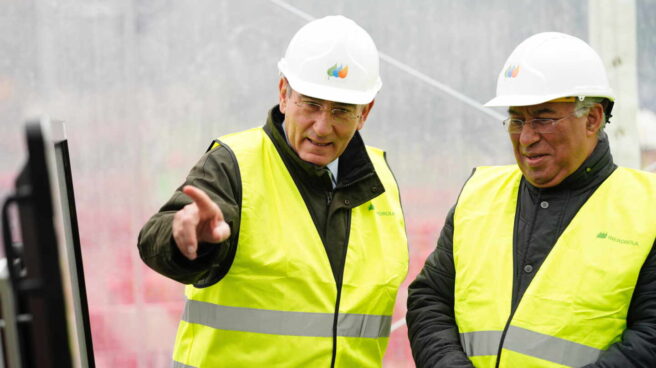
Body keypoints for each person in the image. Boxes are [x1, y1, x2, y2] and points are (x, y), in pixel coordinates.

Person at [137, 15, 408, 367]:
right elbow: (157, 237)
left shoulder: (381, 181)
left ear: (365, 113)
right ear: (284, 94)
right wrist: (188, 241)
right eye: (311, 104)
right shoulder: (234, 165)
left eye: (341, 110)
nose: (322, 127)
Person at [406, 32, 656, 368]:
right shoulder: (479, 195)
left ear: (593, 118)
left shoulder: (646, 210)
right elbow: (430, 299)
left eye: (543, 119)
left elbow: (650, 338)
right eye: (517, 119)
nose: (526, 137)